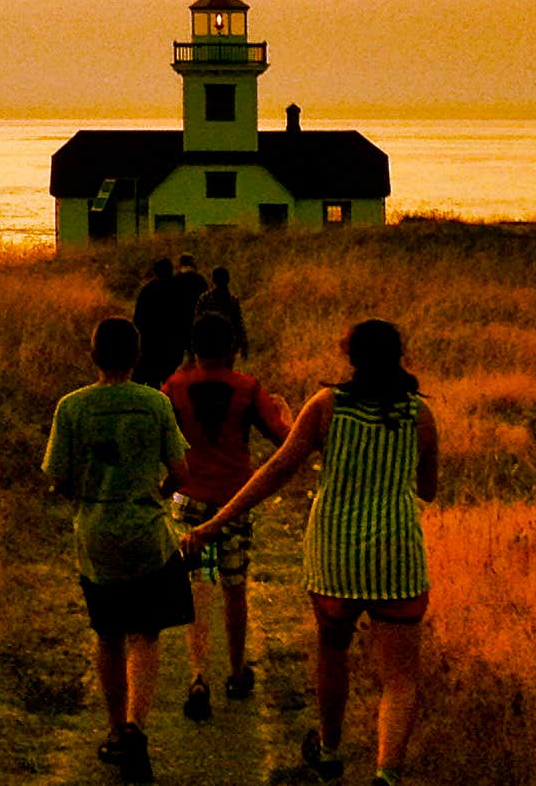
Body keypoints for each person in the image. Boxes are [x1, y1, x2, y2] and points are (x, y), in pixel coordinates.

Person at [183, 321, 437, 786]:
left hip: (335, 554)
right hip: (397, 558)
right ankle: (386, 774)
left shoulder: (326, 406)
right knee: (400, 678)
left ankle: (329, 749)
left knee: (332, 651)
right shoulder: (418, 414)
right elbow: (428, 488)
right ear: (399, 354)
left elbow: (277, 469)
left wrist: (212, 524)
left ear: (350, 356)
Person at [43, 316, 195, 784]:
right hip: (147, 531)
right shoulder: (154, 403)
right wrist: (158, 490)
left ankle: (112, 728)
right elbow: (182, 472)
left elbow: (57, 477)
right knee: (144, 634)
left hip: (95, 533)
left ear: (94, 356)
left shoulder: (71, 407)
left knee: (107, 634)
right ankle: (135, 728)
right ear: (137, 356)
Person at [162, 306, 292, 720]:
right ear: (233, 349)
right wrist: (287, 413)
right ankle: (237, 671)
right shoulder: (248, 388)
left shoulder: (174, 387)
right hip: (237, 498)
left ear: (193, 349)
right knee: (235, 587)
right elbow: (283, 440)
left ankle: (198, 676)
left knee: (197, 588)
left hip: (189, 497)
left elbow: (165, 448)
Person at [133, 257, 185, 388]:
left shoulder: (147, 291)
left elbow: (138, 319)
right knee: (170, 379)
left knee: (153, 381)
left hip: (151, 344)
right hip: (173, 343)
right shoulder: (179, 289)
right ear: (171, 270)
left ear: (155, 272)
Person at [204, 265, 247, 355]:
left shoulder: (205, 298)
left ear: (213, 280)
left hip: (209, 343)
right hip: (228, 345)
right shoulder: (233, 300)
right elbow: (238, 325)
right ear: (228, 279)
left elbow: (197, 323)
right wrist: (243, 345)